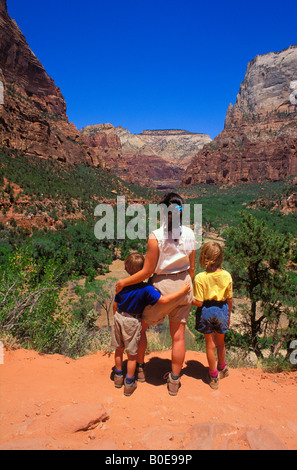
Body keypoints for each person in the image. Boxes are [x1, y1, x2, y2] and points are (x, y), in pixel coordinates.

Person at [115, 192, 196, 396]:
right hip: (185, 284)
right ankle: (174, 381)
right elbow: (193, 267)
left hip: (161, 287)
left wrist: (123, 282)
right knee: (178, 337)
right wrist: (188, 289)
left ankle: (139, 370)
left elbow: (147, 271)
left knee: (141, 326)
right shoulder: (190, 234)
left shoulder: (156, 237)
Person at [112, 252, 191, 396]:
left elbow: (115, 304)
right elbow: (163, 301)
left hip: (118, 318)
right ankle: (129, 382)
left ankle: (118, 377)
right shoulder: (146, 289)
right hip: (132, 321)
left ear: (126, 269)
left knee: (119, 349)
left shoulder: (122, 285)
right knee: (131, 355)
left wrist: (115, 317)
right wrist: (182, 292)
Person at [192, 241, 232, 389]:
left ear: (203, 257)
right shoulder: (227, 276)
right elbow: (229, 299)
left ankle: (213, 376)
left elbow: (199, 302)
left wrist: (188, 300)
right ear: (220, 258)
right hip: (222, 309)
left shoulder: (200, 278)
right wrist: (228, 315)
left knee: (210, 344)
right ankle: (222, 368)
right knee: (220, 343)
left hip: (206, 311)